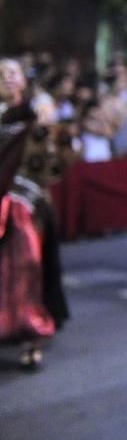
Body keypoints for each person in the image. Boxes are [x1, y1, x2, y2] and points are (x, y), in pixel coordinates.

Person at [0, 58, 70, 369]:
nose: (8, 79)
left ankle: (32, 335)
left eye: (12, 73)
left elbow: (58, 158)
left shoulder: (38, 112)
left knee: (29, 267)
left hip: (28, 206)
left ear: (23, 80)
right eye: (1, 75)